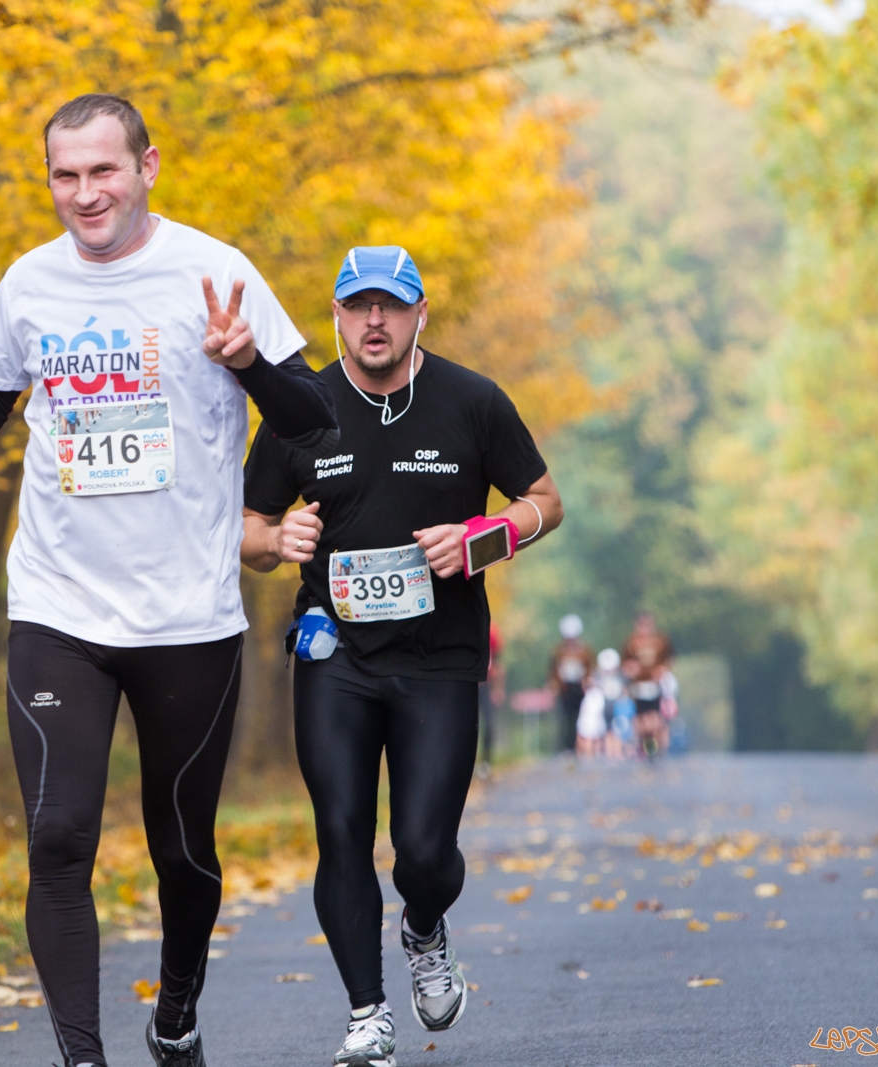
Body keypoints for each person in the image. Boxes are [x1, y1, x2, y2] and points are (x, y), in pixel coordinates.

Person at [0, 94, 336, 1067]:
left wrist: (248, 360)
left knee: (181, 848)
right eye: (65, 175)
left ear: (147, 166)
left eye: (103, 170)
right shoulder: (28, 283)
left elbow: (314, 420)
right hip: (59, 602)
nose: (84, 193)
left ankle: (175, 1008)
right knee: (57, 836)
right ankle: (84, 1057)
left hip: (187, 612)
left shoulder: (213, 271)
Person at [241, 246, 562, 1067]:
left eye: (391, 305)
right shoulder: (301, 407)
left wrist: (483, 539)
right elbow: (245, 527)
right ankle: (366, 1012)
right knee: (341, 828)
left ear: (421, 313)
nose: (373, 321)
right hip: (333, 652)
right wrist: (276, 540)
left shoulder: (472, 401)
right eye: (357, 307)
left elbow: (545, 503)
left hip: (439, 657)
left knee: (423, 848)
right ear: (338, 318)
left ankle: (424, 925)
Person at [621, 613, 675, 759]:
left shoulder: (660, 642)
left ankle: (655, 751)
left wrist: (662, 670)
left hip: (654, 686)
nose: (644, 629)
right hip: (638, 687)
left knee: (654, 721)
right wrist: (630, 669)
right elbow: (624, 664)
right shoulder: (631, 642)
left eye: (647, 625)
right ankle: (643, 749)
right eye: (641, 625)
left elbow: (669, 660)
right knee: (641, 722)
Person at [549, 614, 591, 753]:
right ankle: (565, 747)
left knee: (577, 718)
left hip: (578, 689)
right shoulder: (559, 652)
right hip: (564, 689)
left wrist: (587, 681)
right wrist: (554, 684)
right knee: (565, 718)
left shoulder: (584, 652)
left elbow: (589, 669)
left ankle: (574, 746)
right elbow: (553, 670)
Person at [476, 624, 504, 778]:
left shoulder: (491, 632)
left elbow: (499, 663)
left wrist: (498, 689)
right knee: (467, 726)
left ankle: (486, 763)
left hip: (487, 684)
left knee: (489, 724)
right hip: (468, 686)